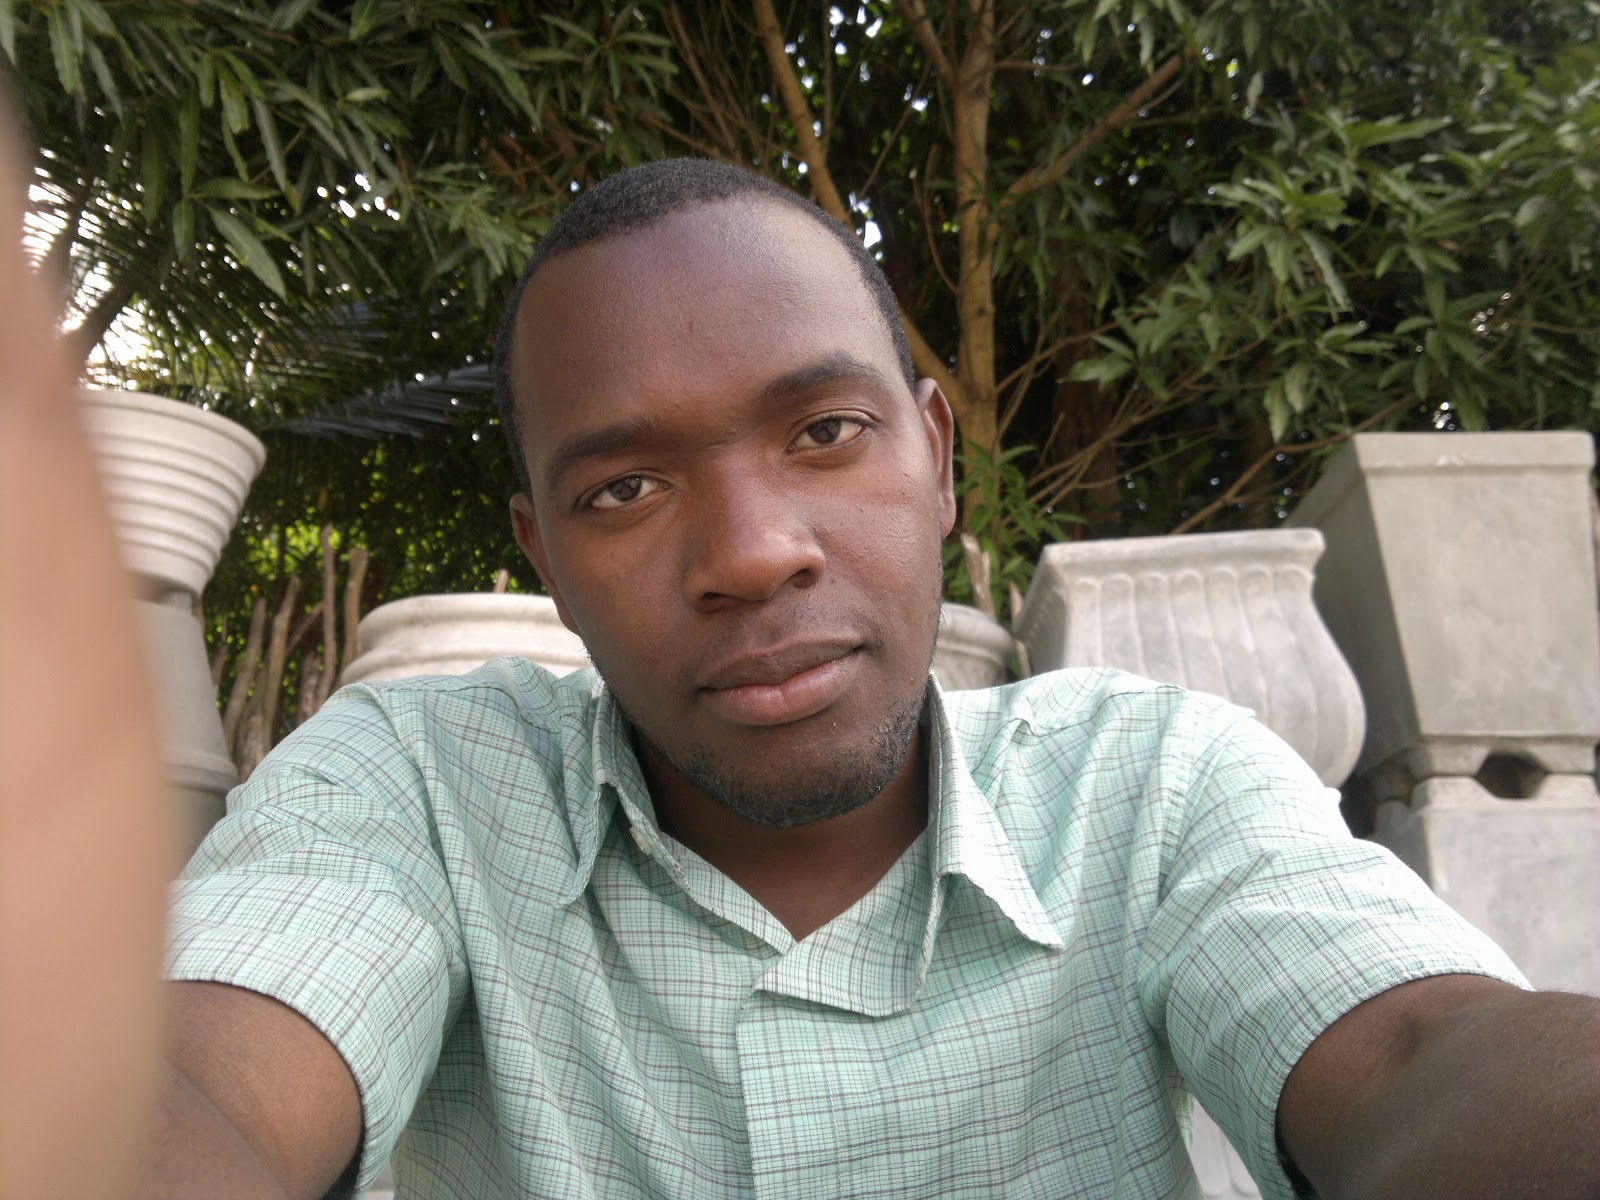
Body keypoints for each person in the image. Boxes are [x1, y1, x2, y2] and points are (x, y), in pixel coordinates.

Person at [144, 159, 1597, 1200]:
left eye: (826, 433)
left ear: (940, 459)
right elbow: (201, 1078)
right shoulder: (417, 788)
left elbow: (1414, 1050)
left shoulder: (1153, 786)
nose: (752, 552)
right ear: (547, 563)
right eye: (626, 488)